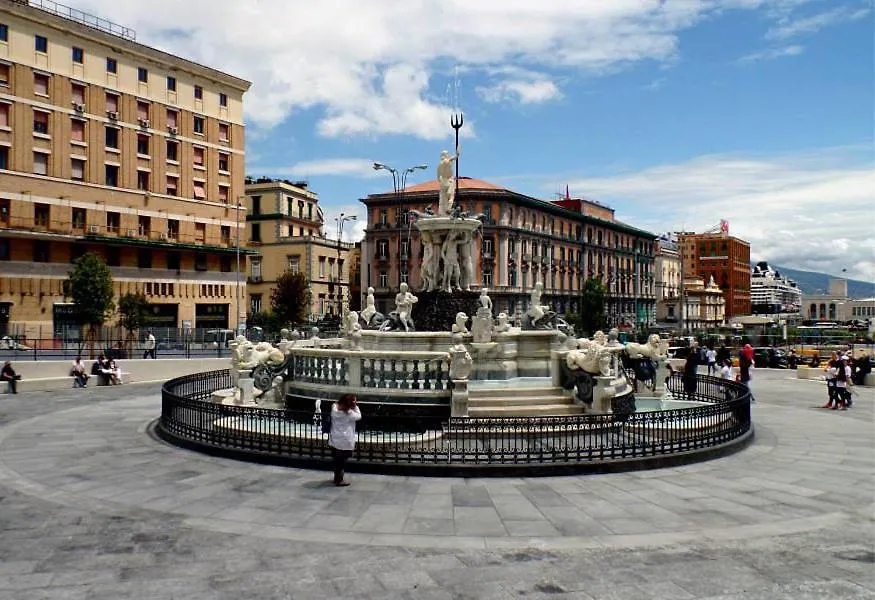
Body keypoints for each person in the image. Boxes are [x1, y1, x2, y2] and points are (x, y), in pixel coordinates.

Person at [328, 393, 361, 486]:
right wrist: (356, 407)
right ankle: (339, 479)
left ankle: (337, 477)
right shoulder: (349, 414)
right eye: (353, 400)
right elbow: (359, 416)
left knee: (337, 459)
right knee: (341, 461)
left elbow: (334, 404)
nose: (355, 402)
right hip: (345, 441)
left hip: (335, 439)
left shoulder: (334, 409)